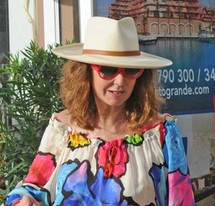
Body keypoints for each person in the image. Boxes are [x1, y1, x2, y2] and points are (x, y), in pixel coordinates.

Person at [5, 16, 194, 205]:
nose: (120, 82)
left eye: (131, 70)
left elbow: (182, 200)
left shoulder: (161, 134)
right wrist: (26, 200)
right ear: (85, 72)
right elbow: (32, 188)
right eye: (109, 69)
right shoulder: (62, 131)